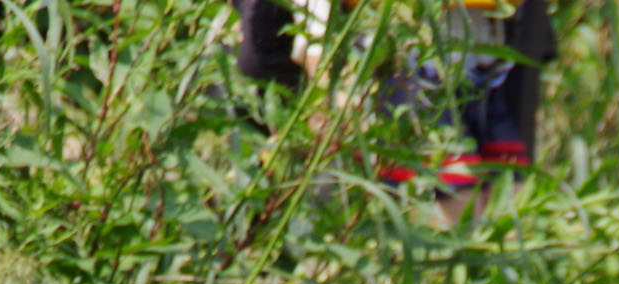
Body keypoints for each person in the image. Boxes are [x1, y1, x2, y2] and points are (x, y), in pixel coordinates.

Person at [234, 0, 554, 196]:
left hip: (479, 71)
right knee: (452, 207)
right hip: (405, 71)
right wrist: (329, 85)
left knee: (509, 201)